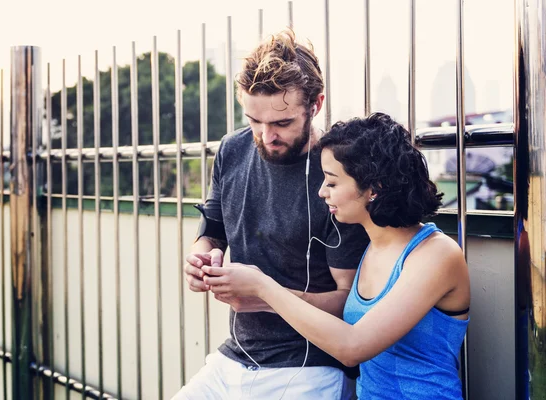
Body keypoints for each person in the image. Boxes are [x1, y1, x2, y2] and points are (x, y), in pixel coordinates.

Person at [202, 113, 471, 399]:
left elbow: (352, 348)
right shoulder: (371, 247)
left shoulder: (436, 255)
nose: (321, 192)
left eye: (331, 183)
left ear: (374, 189)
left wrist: (262, 286)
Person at [176, 30, 369, 400]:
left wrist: (264, 294)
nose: (266, 136)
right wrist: (202, 254)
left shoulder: (338, 177)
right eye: (254, 121)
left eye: (281, 124)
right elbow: (212, 229)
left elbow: (351, 303)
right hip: (233, 357)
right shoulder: (232, 149)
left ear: (315, 105)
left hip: (311, 366)